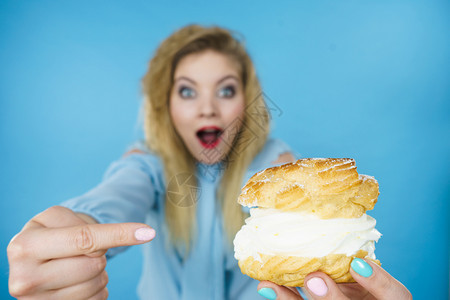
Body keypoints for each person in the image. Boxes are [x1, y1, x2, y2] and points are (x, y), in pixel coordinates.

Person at [7, 24, 412, 300]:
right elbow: (114, 195)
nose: (207, 109)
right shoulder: (147, 166)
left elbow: (289, 184)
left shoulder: (272, 162)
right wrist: (74, 233)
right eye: (187, 92)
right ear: (165, 105)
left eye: (225, 90)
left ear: (246, 101)